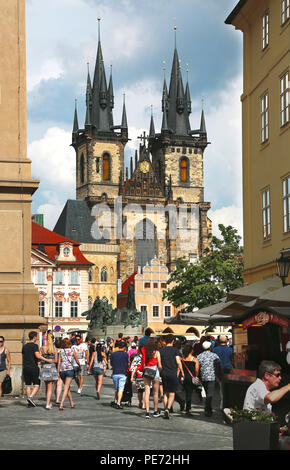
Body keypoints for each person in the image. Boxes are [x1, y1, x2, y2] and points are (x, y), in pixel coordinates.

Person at [22, 331, 55, 407]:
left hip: (25, 367)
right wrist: (47, 360)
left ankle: (29, 402)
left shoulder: (24, 346)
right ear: (34, 337)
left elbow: (23, 358)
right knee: (37, 384)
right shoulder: (35, 346)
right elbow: (37, 356)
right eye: (36, 337)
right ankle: (30, 397)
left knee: (28, 385)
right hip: (33, 367)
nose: (36, 338)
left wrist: (23, 366)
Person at [160, 334, 184, 419]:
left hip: (164, 373)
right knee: (172, 393)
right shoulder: (175, 350)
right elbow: (178, 362)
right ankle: (168, 409)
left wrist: (161, 371)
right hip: (173, 373)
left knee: (165, 393)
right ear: (173, 341)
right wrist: (182, 371)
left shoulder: (161, 350)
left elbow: (159, 364)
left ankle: (165, 408)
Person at [197, 341, 221, 417]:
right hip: (211, 377)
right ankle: (207, 409)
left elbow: (198, 367)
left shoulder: (199, 356)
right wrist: (218, 375)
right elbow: (218, 366)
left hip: (203, 377)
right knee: (210, 394)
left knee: (207, 393)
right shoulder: (214, 355)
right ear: (210, 347)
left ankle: (208, 409)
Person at [141, 338, 162, 419]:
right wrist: (160, 370)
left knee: (147, 392)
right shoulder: (157, 352)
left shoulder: (145, 351)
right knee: (156, 393)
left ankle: (147, 412)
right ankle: (155, 411)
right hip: (155, 372)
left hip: (146, 371)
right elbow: (159, 365)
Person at [57, 337, 80, 410]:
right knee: (66, 388)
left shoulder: (61, 351)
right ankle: (61, 404)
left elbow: (59, 361)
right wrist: (79, 366)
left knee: (68, 388)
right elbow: (76, 359)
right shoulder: (72, 350)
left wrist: (58, 371)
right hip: (69, 370)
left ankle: (71, 403)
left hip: (62, 370)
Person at [213, 334, 233, 410]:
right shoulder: (230, 350)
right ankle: (226, 404)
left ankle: (222, 404)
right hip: (228, 370)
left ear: (218, 341)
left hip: (219, 370)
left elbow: (214, 362)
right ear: (226, 341)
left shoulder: (215, 350)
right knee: (228, 388)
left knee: (221, 388)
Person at [39, 332, 58, 409]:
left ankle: (48, 401)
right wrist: (51, 360)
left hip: (44, 368)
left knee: (47, 386)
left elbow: (39, 358)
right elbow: (56, 360)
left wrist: (45, 360)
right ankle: (47, 404)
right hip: (52, 368)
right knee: (50, 387)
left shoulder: (42, 348)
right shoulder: (54, 349)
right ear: (53, 340)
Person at [181, 342, 200, 414]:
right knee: (189, 393)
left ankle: (187, 407)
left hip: (185, 377)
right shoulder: (194, 359)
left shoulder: (183, 359)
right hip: (191, 378)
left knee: (187, 393)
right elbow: (197, 370)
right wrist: (196, 376)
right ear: (191, 350)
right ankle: (188, 408)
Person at [110, 340, 129, 409]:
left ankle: (115, 400)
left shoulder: (113, 354)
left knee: (116, 389)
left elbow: (111, 364)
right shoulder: (125, 354)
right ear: (124, 347)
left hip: (115, 373)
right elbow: (128, 364)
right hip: (123, 373)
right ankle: (118, 402)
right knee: (121, 389)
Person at [54, 338, 63, 404]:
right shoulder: (62, 351)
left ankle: (56, 397)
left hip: (53, 367)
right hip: (61, 368)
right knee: (59, 384)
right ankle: (57, 399)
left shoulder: (53, 350)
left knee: (55, 384)